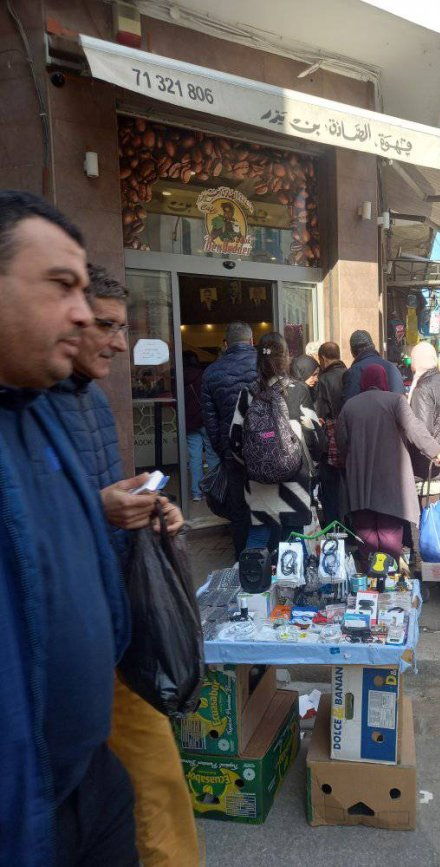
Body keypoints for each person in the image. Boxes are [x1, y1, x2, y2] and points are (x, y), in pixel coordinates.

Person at [46, 265, 200, 867]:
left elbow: (83, 495)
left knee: (152, 790)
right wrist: (98, 509)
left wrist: (143, 509)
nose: (116, 340)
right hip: (72, 646)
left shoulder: (85, 398)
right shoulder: (33, 405)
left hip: (107, 630)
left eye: (120, 327)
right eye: (105, 326)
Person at [0, 191, 136, 866]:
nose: (83, 317)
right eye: (61, 287)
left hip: (89, 779)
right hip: (28, 808)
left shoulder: (44, 406)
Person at [336, 364, 440, 567]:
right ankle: (390, 583)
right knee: (389, 535)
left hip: (360, 482)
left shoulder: (349, 406)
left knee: (366, 535)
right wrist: (435, 451)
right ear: (384, 381)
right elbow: (414, 428)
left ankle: (370, 585)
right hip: (390, 481)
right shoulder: (396, 401)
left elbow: (341, 441)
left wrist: (352, 461)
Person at [230, 332, 324, 551]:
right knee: (292, 546)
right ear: (286, 358)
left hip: (259, 485)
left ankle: (255, 582)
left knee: (258, 539)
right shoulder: (298, 391)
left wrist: (257, 464)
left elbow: (234, 441)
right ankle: (290, 584)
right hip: (294, 483)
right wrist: (312, 463)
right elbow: (315, 438)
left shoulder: (247, 393)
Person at [201, 321, 257, 556]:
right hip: (267, 449)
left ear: (225, 344)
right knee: (269, 505)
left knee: (239, 511)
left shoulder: (212, 372)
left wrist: (223, 450)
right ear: (252, 341)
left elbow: (210, 423)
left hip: (231, 454)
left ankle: (244, 564)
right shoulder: (265, 365)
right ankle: (273, 562)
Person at [408, 342, 440, 494]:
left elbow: (421, 430)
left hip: (429, 468)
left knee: (429, 515)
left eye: (412, 361)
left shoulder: (423, 389)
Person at [314, 341, 347, 526]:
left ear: (323, 358)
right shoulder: (349, 374)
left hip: (330, 443)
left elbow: (319, 414)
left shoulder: (324, 380)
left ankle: (333, 527)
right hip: (348, 438)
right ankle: (349, 526)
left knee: (330, 488)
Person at [183, 349, 219, 502]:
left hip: (189, 422)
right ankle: (212, 490)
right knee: (212, 455)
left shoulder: (178, 376)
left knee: (194, 457)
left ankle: (197, 493)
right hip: (205, 420)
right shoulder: (204, 375)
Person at [342, 329, 404, 402]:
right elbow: (401, 401)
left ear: (352, 352)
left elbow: (350, 406)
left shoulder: (354, 371)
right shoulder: (392, 368)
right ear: (373, 346)